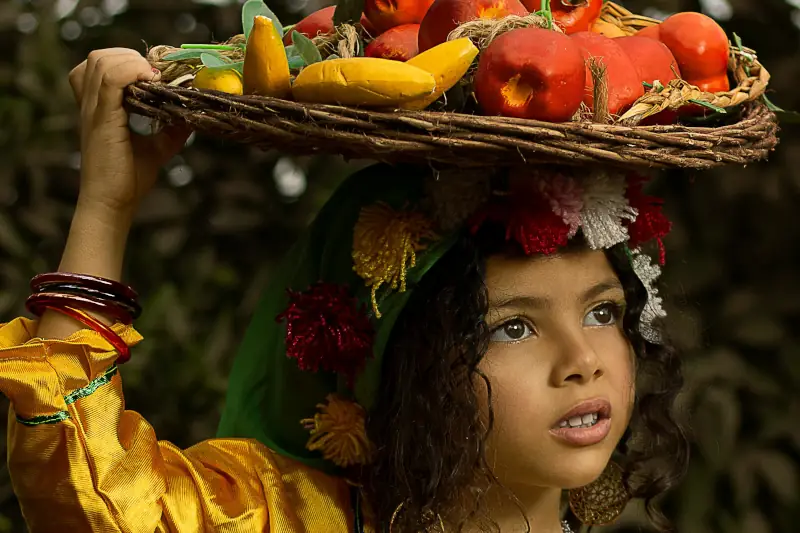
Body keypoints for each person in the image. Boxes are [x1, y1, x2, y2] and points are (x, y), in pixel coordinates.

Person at [0, 49, 688, 533]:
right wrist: (106, 207)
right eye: (511, 326)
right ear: (405, 361)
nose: (583, 359)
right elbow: (92, 502)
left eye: (603, 311)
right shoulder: (289, 518)